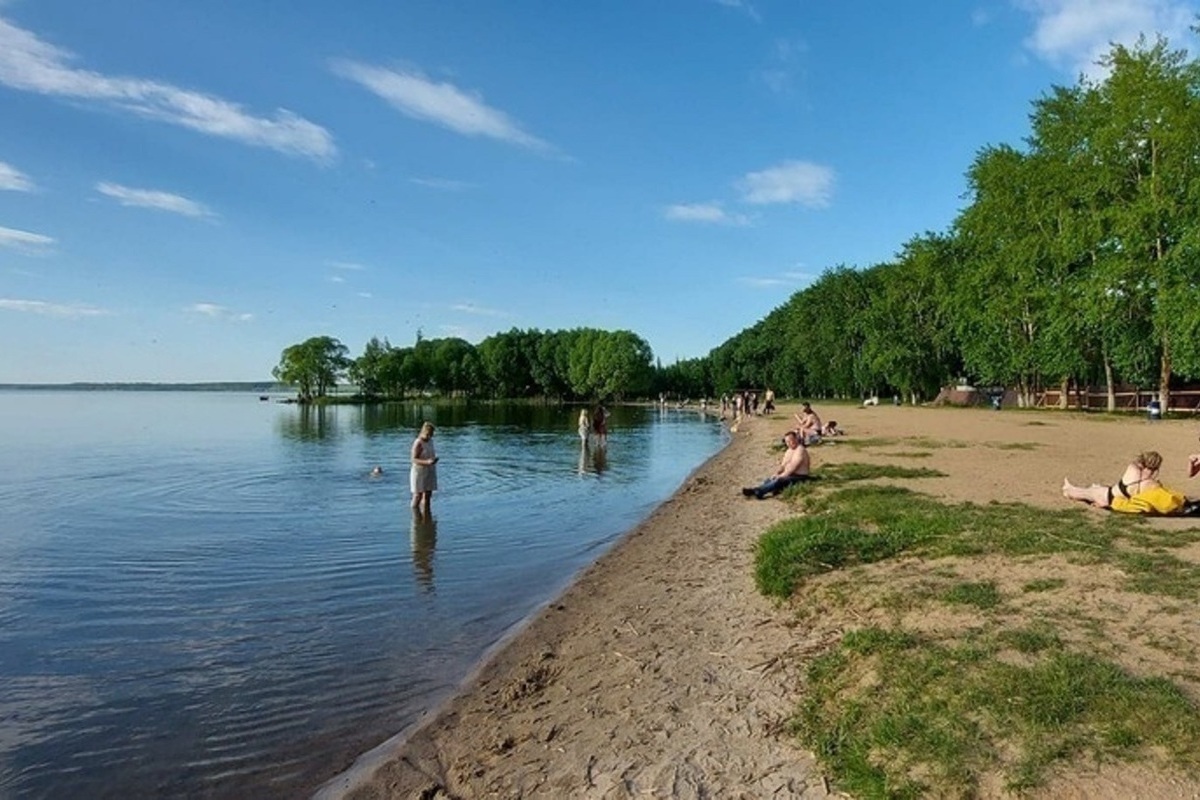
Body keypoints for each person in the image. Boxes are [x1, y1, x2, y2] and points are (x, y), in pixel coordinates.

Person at [1062, 451, 1185, 515]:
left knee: (1082, 492)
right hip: (1112, 498)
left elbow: (1137, 464)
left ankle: (1068, 489)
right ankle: (1069, 488)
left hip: (1108, 495)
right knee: (1089, 490)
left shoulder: (1133, 469)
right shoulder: (1151, 483)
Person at [742, 430, 811, 499]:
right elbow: (783, 465)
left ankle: (759, 492)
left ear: (796, 439)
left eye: (790, 441)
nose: (789, 443)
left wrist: (782, 476)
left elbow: (793, 467)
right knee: (769, 480)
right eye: (787, 442)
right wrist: (777, 473)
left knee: (779, 480)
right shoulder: (789, 451)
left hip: (800, 476)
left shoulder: (800, 450)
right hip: (790, 475)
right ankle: (757, 490)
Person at [410, 421, 439, 513]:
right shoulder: (418, 442)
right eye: (429, 433)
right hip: (419, 471)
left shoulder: (430, 441)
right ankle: (415, 515)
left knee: (428, 495)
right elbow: (413, 459)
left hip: (430, 470)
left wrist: (433, 459)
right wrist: (427, 462)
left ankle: (426, 515)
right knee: (417, 495)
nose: (431, 435)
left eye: (432, 434)